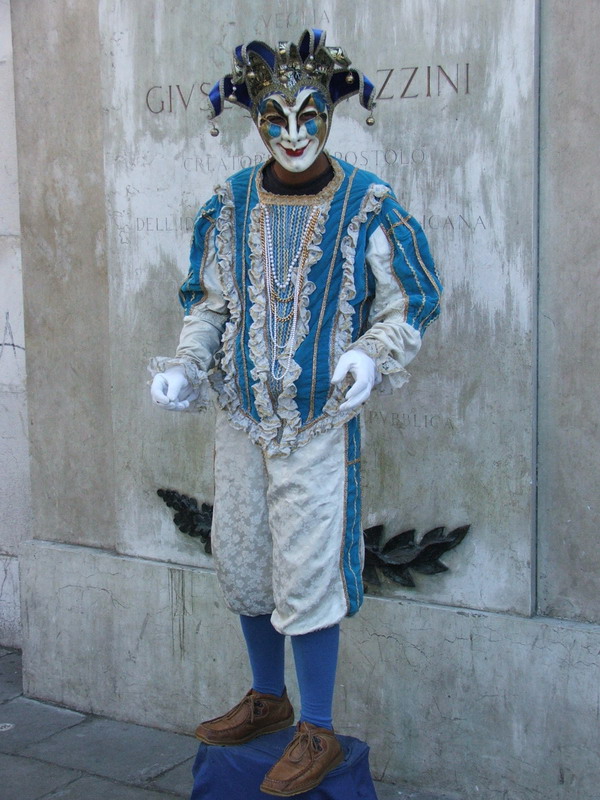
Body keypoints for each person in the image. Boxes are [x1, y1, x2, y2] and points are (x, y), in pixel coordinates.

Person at [150, 29, 441, 797]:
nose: (292, 133)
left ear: (328, 115)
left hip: (318, 420)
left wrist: (371, 354)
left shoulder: (365, 203)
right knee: (244, 556)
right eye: (274, 120)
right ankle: (267, 697)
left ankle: (316, 724)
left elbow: (411, 299)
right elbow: (210, 302)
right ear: (256, 124)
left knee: (308, 567)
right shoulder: (230, 203)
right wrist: (186, 365)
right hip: (242, 415)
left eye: (307, 116)